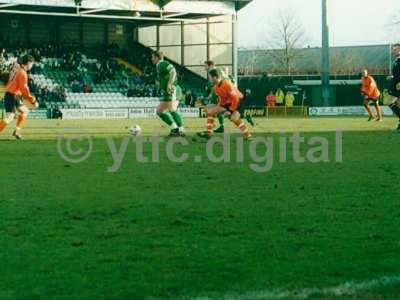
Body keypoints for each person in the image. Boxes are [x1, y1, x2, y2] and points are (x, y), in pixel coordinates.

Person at [197, 69, 252, 140]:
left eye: (210, 77)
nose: (209, 79)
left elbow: (235, 98)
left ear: (215, 77)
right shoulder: (216, 87)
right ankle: (208, 132)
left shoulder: (227, 84)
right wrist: (219, 107)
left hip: (239, 102)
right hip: (228, 103)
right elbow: (222, 99)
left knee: (233, 118)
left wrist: (229, 110)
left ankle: (248, 135)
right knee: (209, 109)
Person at [0, 55, 39, 139]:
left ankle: (17, 131)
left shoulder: (17, 67)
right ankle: (17, 131)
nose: (32, 66)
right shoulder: (23, 73)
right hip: (12, 95)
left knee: (25, 111)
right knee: (10, 117)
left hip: (14, 94)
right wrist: (33, 100)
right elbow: (24, 90)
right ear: (28, 63)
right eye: (31, 64)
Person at [152, 51, 185, 137]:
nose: (152, 59)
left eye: (153, 57)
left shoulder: (162, 63)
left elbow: (173, 71)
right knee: (159, 111)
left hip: (172, 89)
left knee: (172, 109)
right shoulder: (158, 66)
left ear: (157, 57)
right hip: (167, 91)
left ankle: (181, 130)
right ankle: (174, 128)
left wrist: (170, 84)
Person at [388, 43, 400, 131]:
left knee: (389, 102)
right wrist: (392, 77)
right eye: (393, 49)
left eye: (395, 49)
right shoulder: (396, 60)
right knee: (392, 103)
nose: (393, 51)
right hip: (395, 84)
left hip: (398, 85)